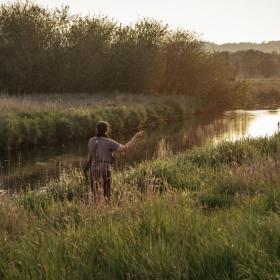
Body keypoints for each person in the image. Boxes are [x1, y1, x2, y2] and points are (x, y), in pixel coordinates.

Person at [84, 121, 144, 203]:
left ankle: (96, 208)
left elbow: (93, 151)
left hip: (94, 169)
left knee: (95, 192)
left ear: (96, 130)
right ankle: (106, 207)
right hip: (106, 169)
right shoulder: (109, 142)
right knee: (107, 193)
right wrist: (135, 137)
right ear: (106, 130)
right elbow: (125, 148)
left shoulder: (91, 141)